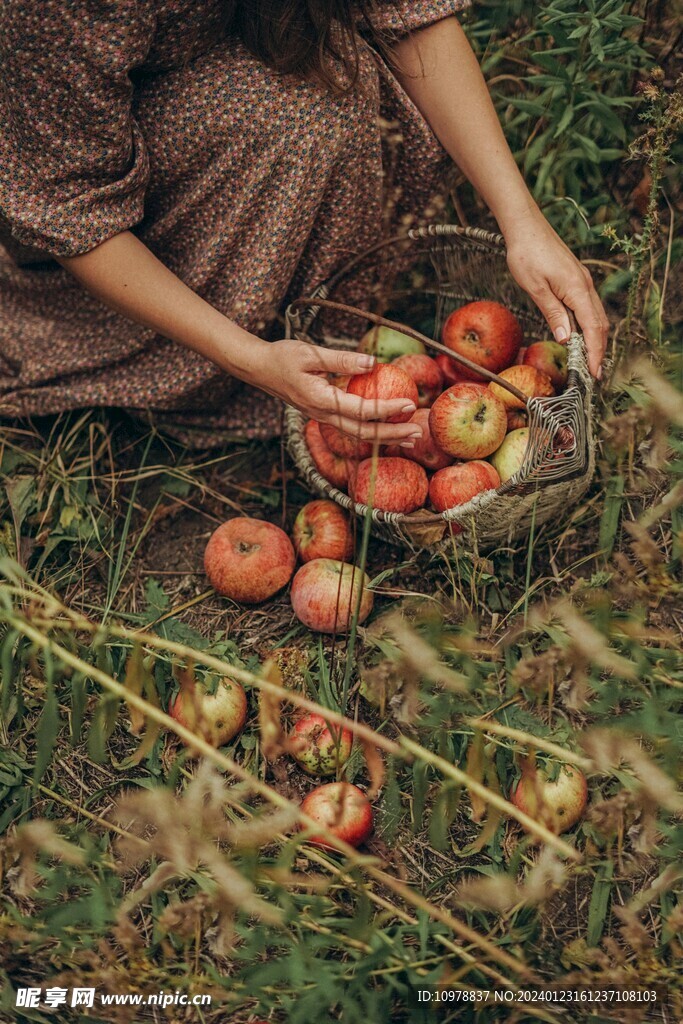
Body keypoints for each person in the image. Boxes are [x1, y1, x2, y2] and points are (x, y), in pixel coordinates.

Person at [0, 0, 608, 449]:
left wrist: (523, 223)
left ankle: (313, 336)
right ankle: (198, 371)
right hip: (69, 157)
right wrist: (248, 359)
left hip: (214, 63)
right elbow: (70, 206)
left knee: (326, 80)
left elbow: (407, 14)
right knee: (287, 113)